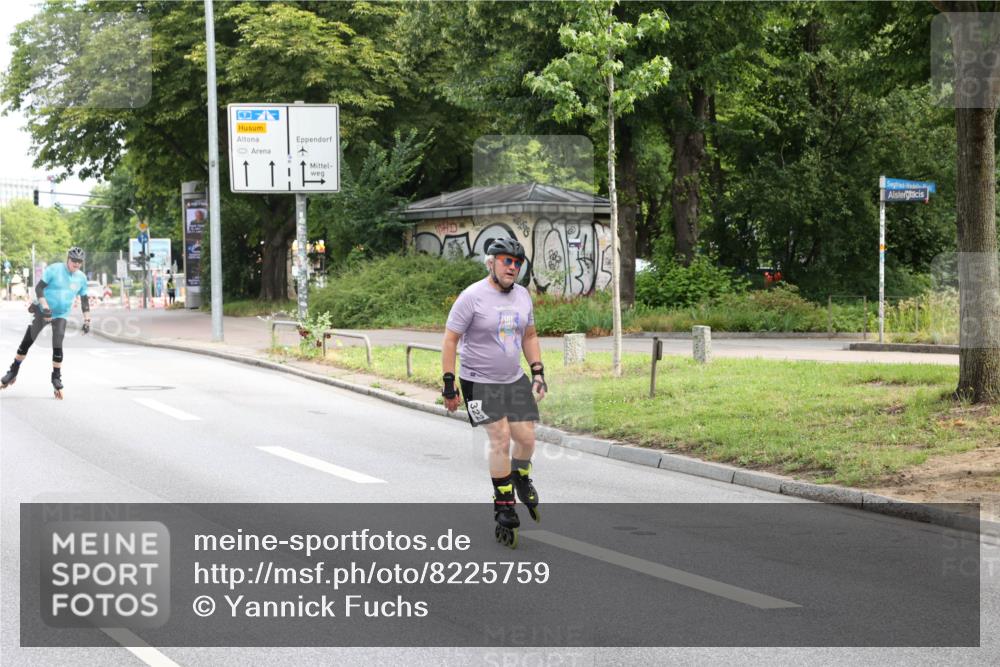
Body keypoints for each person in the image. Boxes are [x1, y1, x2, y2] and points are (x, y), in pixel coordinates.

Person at [441, 238, 547, 549]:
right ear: (491, 263)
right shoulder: (471, 297)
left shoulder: (523, 296)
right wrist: (449, 385)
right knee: (500, 437)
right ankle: (504, 506)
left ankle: (521, 476)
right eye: (506, 261)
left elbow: (529, 334)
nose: (512, 267)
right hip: (478, 381)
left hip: (513, 378)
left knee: (526, 439)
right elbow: (450, 340)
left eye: (517, 263)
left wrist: (538, 372)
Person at [0, 247, 91, 399]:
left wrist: (87, 320)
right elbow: (39, 288)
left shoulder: (81, 278)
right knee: (27, 342)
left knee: (58, 342)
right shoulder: (54, 269)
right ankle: (13, 371)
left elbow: (84, 301)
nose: (76, 264)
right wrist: (46, 307)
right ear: (67, 259)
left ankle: (56, 377)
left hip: (61, 314)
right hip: (42, 311)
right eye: (74, 261)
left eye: (79, 262)